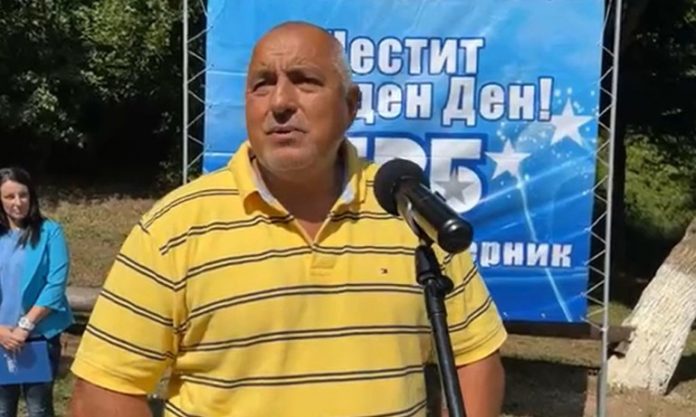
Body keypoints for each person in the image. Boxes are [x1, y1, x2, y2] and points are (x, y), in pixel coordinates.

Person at [68, 21, 507, 417]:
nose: (280, 102)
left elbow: (474, 357)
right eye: (262, 84)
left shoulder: (409, 214)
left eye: (304, 80)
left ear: (351, 105)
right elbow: (102, 391)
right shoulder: (175, 229)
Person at [0, 167, 73, 417]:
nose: (17, 202)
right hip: (1, 336)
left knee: (38, 408)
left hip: (39, 334)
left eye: (23, 195)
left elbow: (55, 284)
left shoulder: (50, 232)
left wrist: (25, 326)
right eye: (9, 196)